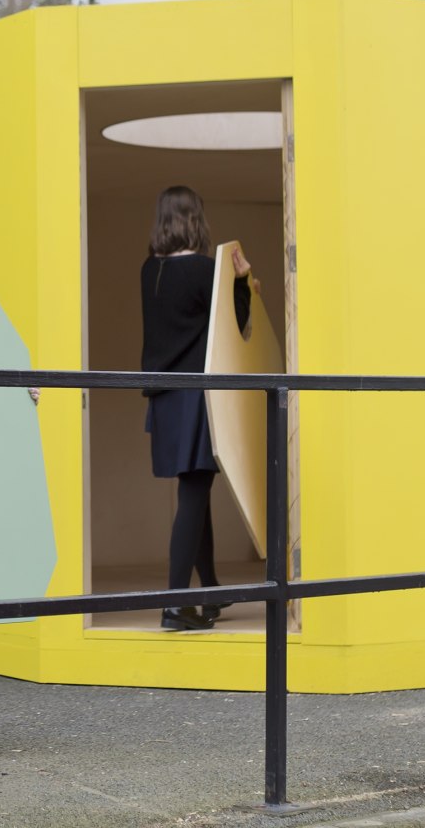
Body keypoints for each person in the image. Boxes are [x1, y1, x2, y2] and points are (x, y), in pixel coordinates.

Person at [139, 186, 254, 631]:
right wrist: (241, 280)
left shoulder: (150, 270)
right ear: (196, 220)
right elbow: (232, 324)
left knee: (195, 490)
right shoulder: (206, 271)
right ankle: (173, 605)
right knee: (193, 494)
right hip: (195, 398)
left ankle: (208, 589)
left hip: (164, 397)